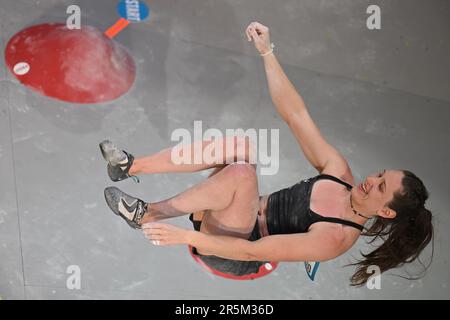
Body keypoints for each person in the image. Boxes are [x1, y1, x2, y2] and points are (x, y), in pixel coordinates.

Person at [101, 22, 433, 285]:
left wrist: (182, 236)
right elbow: (296, 115)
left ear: (387, 212)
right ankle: (130, 166)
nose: (371, 181)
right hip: (227, 214)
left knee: (243, 172)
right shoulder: (339, 174)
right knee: (243, 147)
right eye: (379, 175)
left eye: (380, 188)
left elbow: (250, 250)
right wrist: (267, 52)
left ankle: (149, 214)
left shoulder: (335, 237)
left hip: (233, 254)